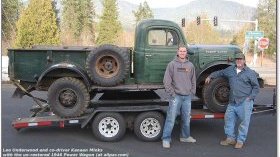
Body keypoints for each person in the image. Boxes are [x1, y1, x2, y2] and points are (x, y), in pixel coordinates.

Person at [205, 53, 260, 149]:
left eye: (241, 59)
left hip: (244, 102)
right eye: (237, 59)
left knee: (244, 122)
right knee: (228, 120)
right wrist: (210, 76)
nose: (239, 61)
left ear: (244, 61)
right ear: (235, 60)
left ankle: (240, 141)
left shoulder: (250, 73)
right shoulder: (230, 70)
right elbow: (220, 72)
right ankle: (230, 139)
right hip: (232, 102)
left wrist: (250, 97)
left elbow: (256, 87)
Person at [162, 44, 196, 148]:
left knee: (186, 119)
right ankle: (166, 139)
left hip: (187, 97)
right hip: (176, 96)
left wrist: (192, 92)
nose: (182, 53)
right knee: (171, 119)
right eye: (180, 51)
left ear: (186, 53)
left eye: (184, 51)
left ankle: (185, 137)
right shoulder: (172, 64)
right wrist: (172, 93)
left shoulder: (190, 65)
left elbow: (193, 80)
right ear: (177, 52)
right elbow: (166, 81)